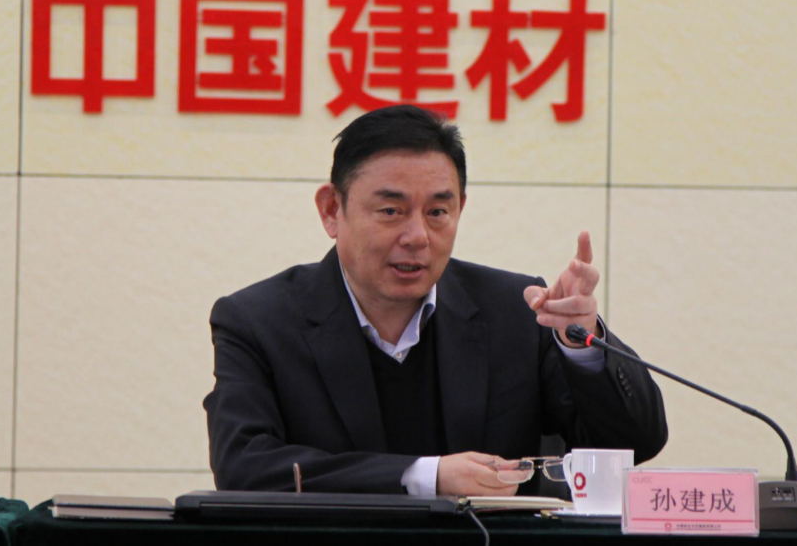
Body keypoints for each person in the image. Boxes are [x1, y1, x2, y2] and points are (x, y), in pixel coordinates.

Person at [204, 105, 667, 497]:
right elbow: (243, 467)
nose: (418, 236)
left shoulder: (516, 311)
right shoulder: (258, 321)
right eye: (391, 211)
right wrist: (427, 476)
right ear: (331, 210)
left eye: (437, 212)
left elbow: (634, 444)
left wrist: (581, 345)